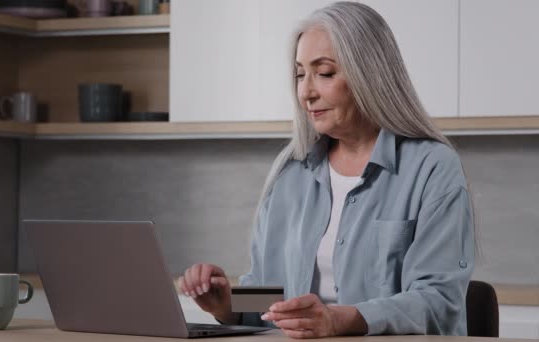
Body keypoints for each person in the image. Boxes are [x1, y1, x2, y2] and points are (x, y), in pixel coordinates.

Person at [178, 1, 475, 338]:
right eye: (300, 74)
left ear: (370, 74)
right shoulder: (290, 173)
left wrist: (340, 320)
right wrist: (228, 303)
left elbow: (438, 303)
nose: (306, 92)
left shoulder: (432, 168)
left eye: (325, 73)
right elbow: (271, 297)